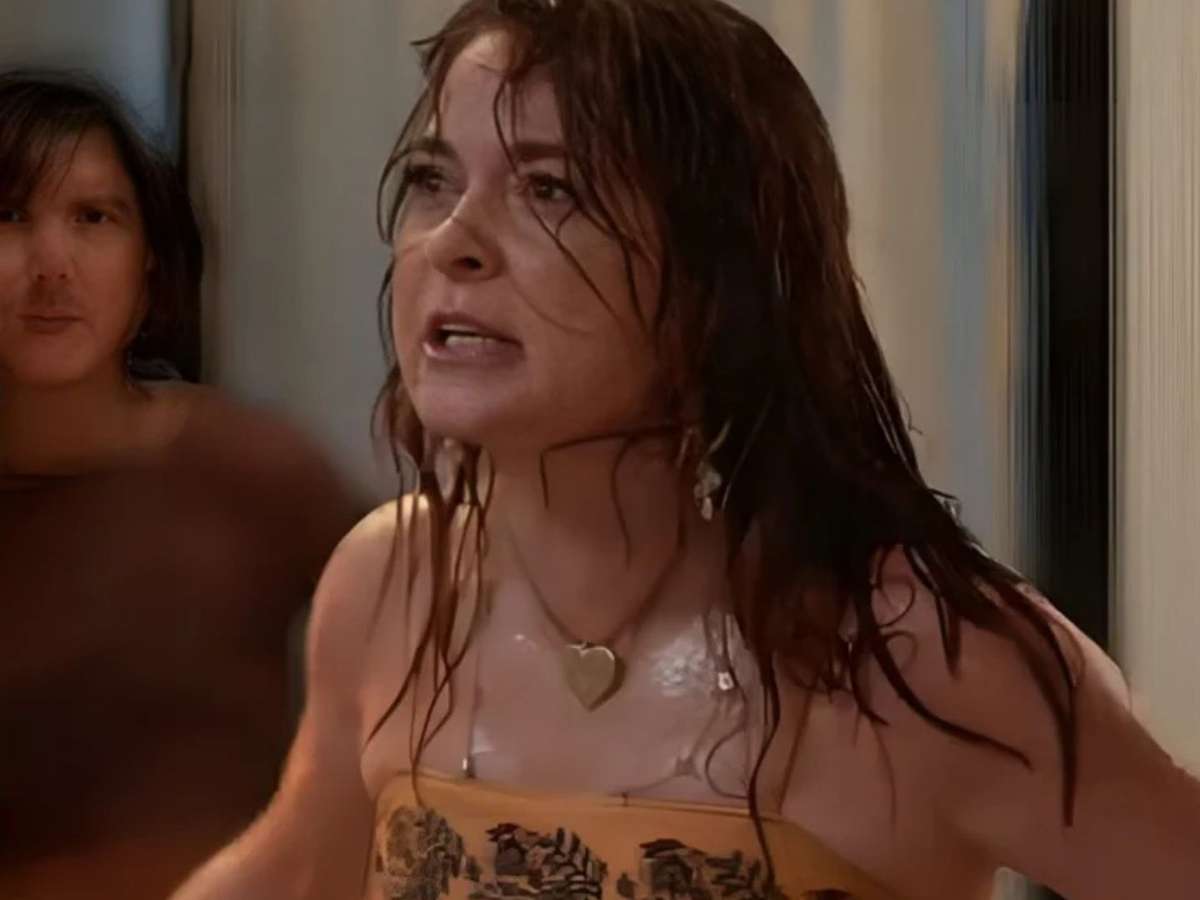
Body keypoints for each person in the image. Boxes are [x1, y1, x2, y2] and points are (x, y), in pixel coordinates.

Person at [171, 2, 1200, 899]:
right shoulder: (394, 583)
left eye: (552, 189)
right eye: (435, 181)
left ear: (720, 280)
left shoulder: (921, 655)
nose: (453, 240)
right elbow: (296, 870)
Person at [0, 72, 361, 899]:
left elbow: (436, 653)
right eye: (11, 214)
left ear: (149, 266)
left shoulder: (248, 472)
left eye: (94, 217)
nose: (52, 265)